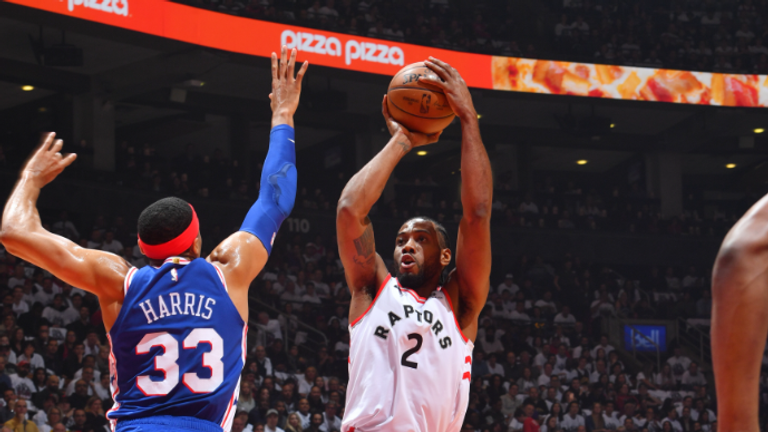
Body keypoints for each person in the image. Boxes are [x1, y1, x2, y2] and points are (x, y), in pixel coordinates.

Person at [0, 47, 308, 432]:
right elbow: (275, 198)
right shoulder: (229, 270)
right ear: (197, 242)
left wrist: (30, 178)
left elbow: (14, 233)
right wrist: (283, 114)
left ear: (144, 250)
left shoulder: (118, 281)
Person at [337, 57, 492, 432]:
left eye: (420, 240)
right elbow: (349, 210)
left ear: (444, 255)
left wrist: (468, 118)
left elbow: (477, 214)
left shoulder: (460, 305)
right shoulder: (373, 288)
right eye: (401, 239)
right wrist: (401, 141)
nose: (407, 246)